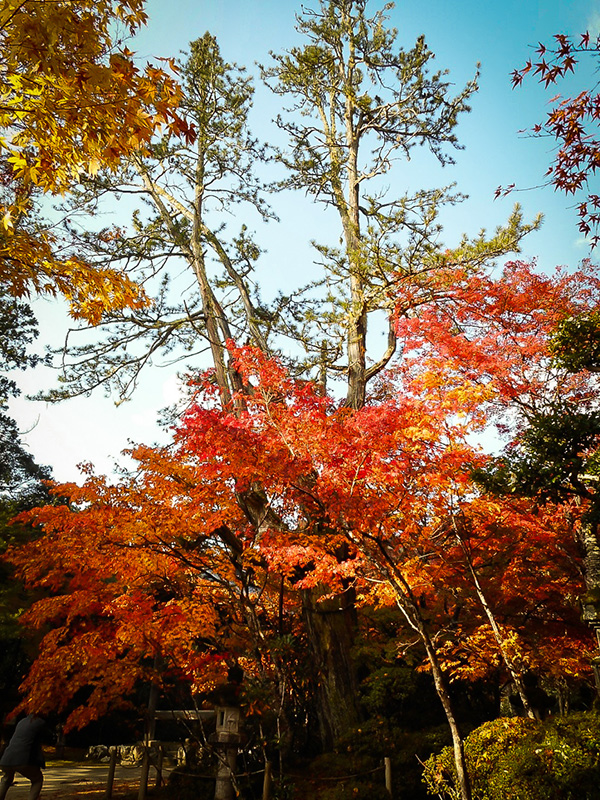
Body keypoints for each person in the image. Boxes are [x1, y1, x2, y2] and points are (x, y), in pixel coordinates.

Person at [0, 714, 46, 800]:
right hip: (22, 759)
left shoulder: (21, 722)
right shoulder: (40, 722)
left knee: (6, 779)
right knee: (37, 779)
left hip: (6, 758)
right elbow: (38, 743)